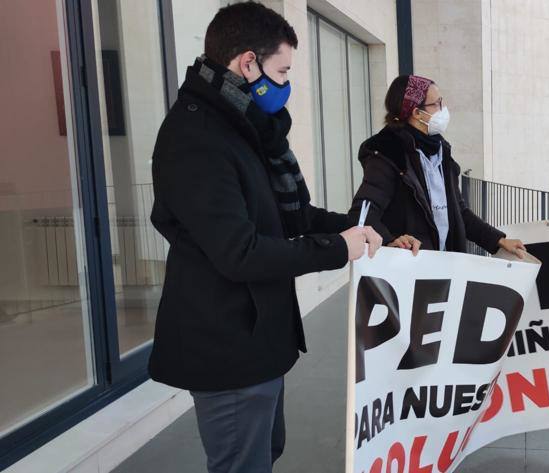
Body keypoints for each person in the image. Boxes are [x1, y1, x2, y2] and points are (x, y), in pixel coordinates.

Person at [148, 3, 382, 472]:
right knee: (243, 464)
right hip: (227, 347)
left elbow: (287, 217)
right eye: (282, 71)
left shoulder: (244, 127)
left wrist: (361, 230)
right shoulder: (197, 136)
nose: (286, 85)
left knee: (263, 454)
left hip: (256, 340)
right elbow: (240, 252)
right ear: (248, 63)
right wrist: (339, 249)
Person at [350, 75, 526, 257]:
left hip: (445, 267)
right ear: (416, 113)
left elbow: (458, 212)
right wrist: (391, 241)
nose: (443, 109)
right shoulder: (388, 154)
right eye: (436, 104)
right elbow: (362, 215)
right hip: (410, 270)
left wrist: (499, 240)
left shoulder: (441, 151)